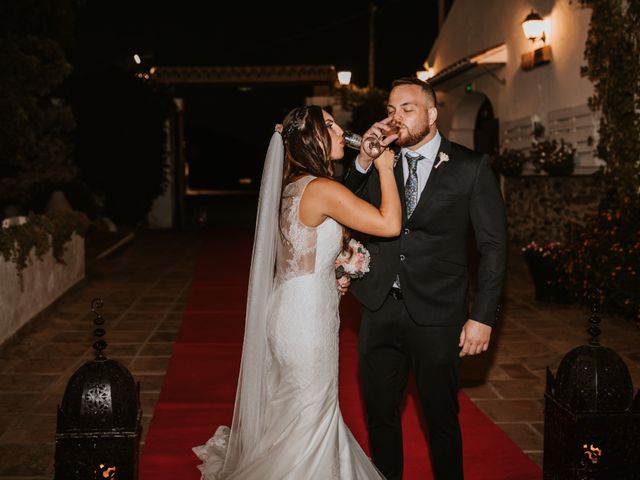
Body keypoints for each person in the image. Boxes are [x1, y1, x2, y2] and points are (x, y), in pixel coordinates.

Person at [193, 105, 402, 479]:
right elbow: (388, 224)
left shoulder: (292, 188)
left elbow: (301, 254)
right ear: (314, 139)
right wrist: (386, 168)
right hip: (306, 321)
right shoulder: (321, 189)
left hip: (290, 306)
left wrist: (335, 271)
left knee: (297, 408)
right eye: (331, 126)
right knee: (311, 411)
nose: (341, 132)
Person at [342, 77, 508, 480]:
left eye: (407, 109)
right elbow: (344, 206)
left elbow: (493, 247)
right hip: (379, 307)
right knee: (380, 417)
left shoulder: (471, 167)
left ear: (432, 115)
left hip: (438, 314)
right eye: (391, 109)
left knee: (441, 422)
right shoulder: (383, 161)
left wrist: (483, 316)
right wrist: (364, 160)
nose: (395, 117)